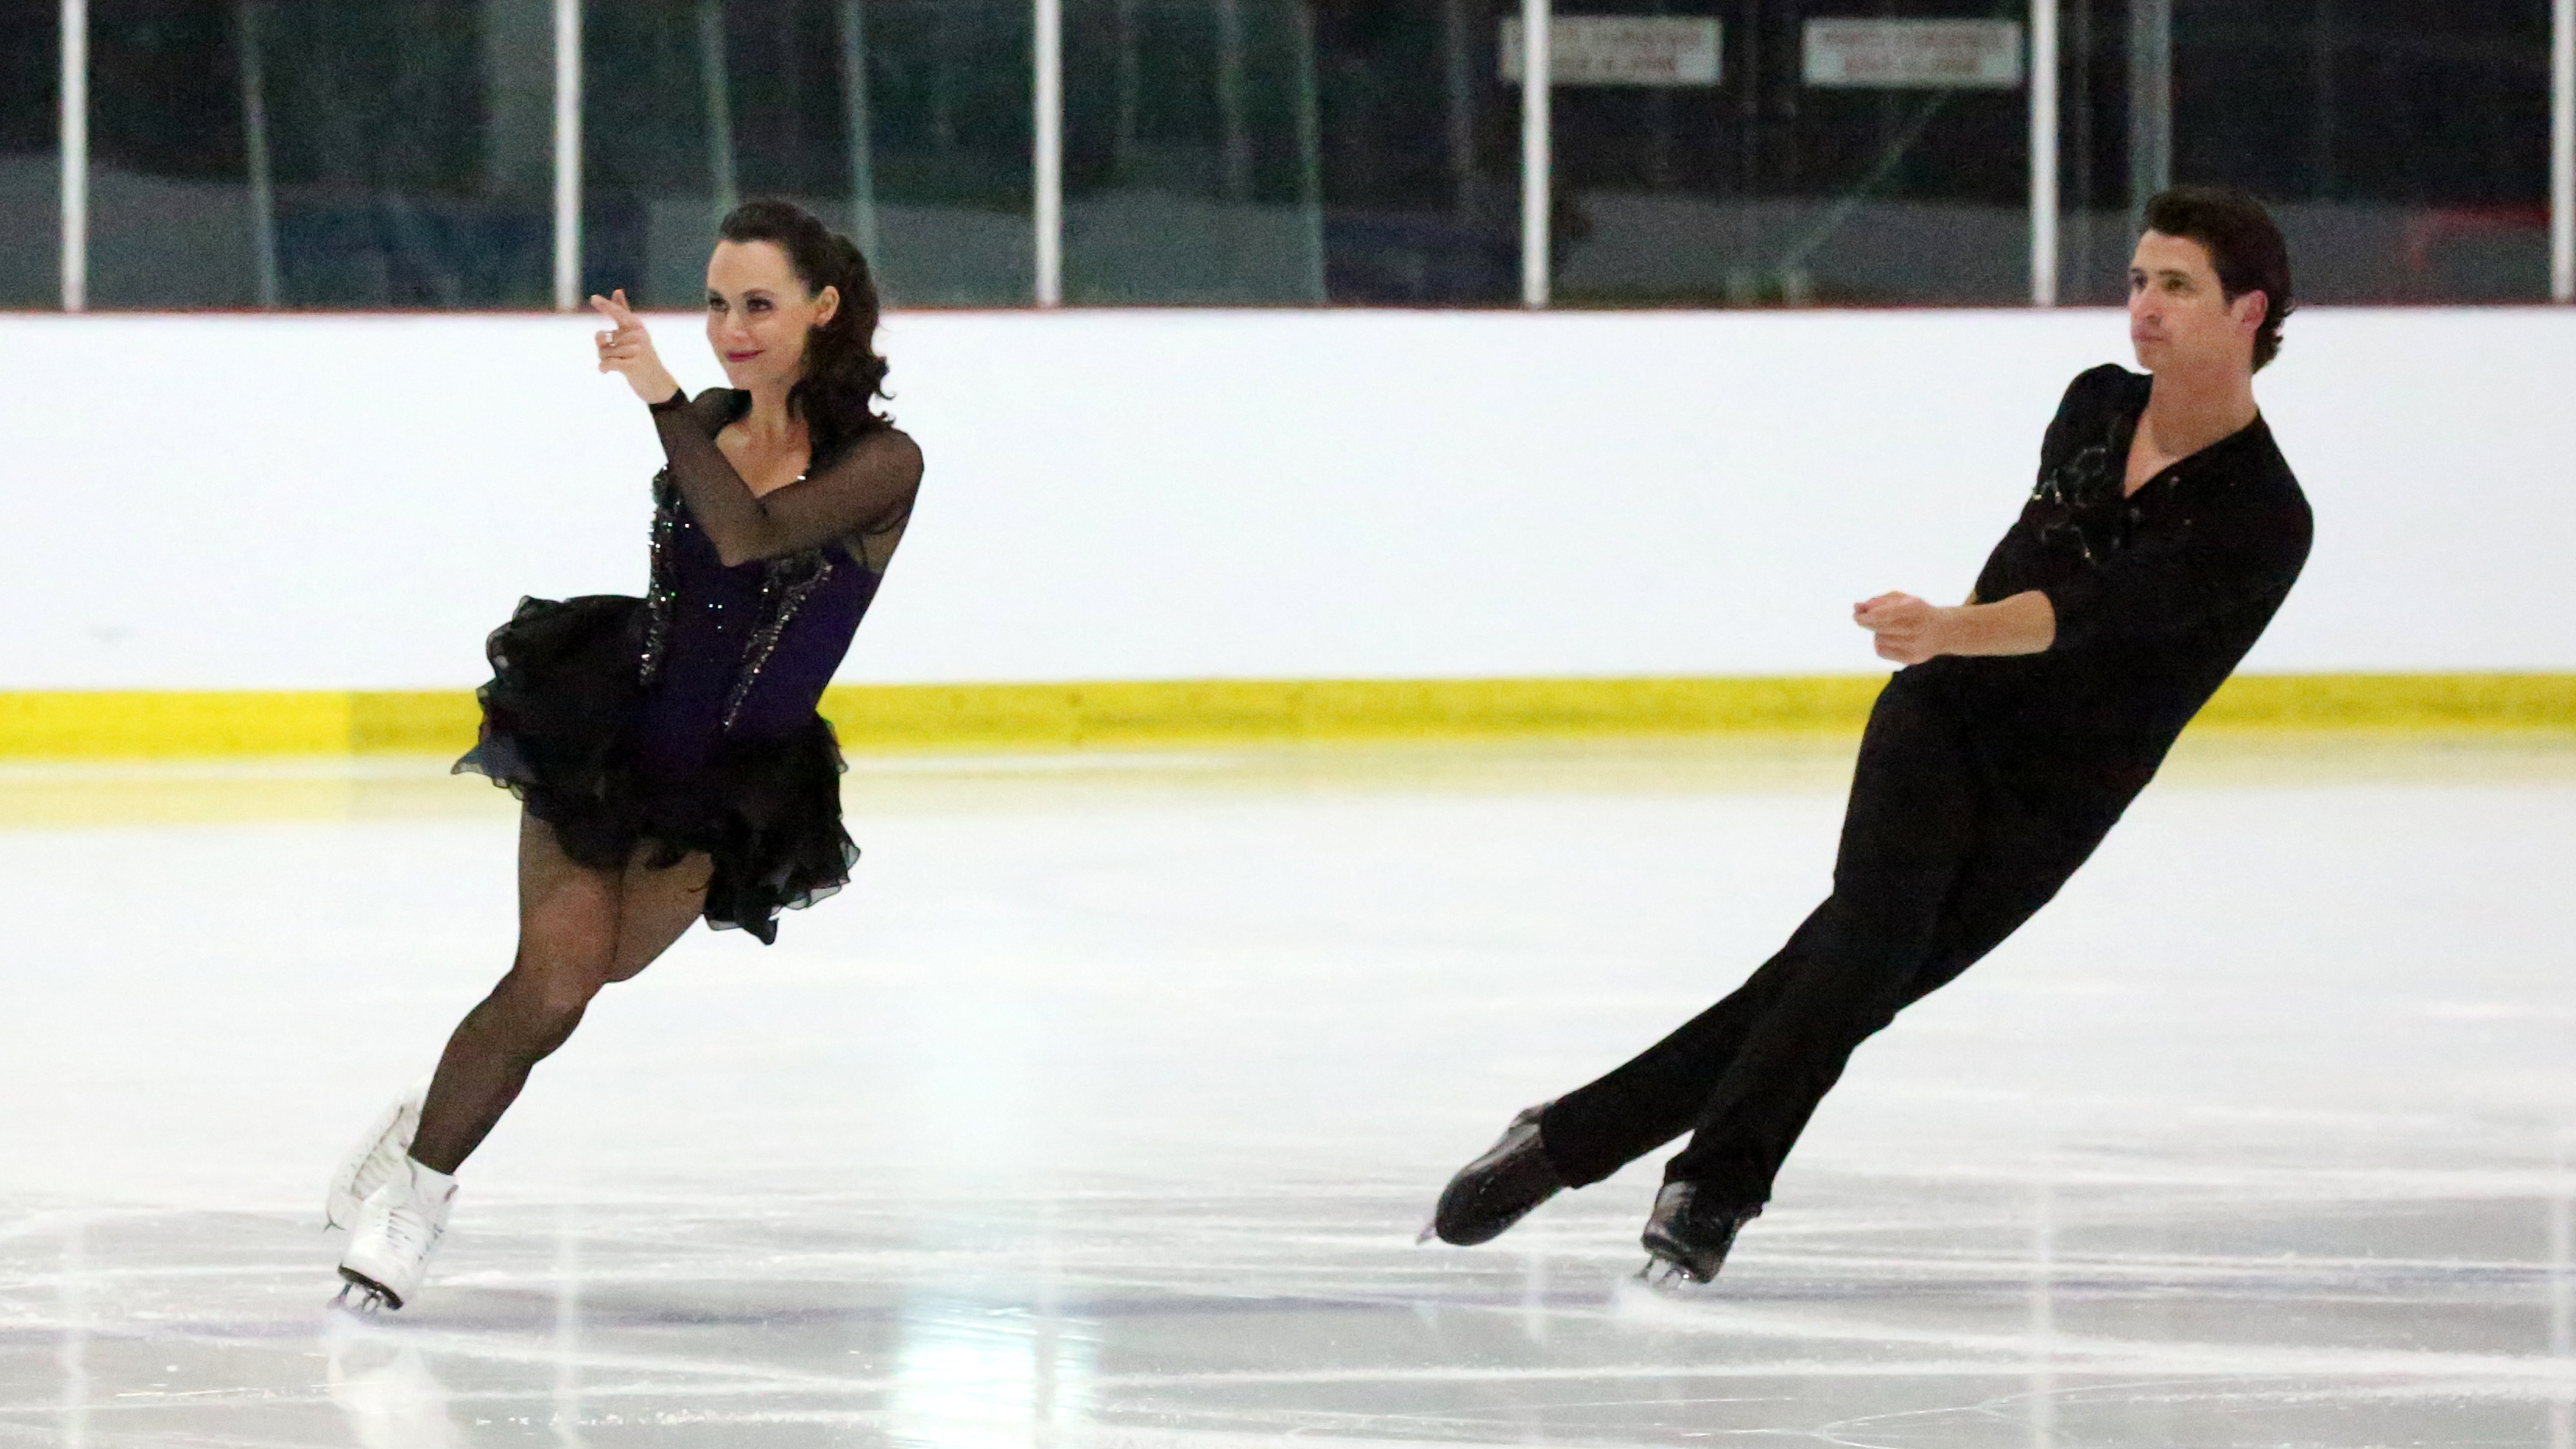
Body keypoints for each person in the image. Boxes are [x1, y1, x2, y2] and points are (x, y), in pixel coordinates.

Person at [1426, 186, 2314, 1283]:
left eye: (2176, 286)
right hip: (1947, 719)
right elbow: (2044, 583)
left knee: (1831, 977)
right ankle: (1714, 1187)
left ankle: (1561, 1139)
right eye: (2138, 280)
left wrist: (1948, 621)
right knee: (1867, 950)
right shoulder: (2094, 405)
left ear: (2247, 312)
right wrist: (1947, 643)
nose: (2143, 307)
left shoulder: (2266, 516)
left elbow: (2093, 615)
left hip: (2057, 802)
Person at [325, 199, 925, 1310]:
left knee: (586, 979)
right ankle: (415, 1199)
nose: (730, 328)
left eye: (759, 304)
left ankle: (417, 1126)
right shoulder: (701, 412)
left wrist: (659, 403)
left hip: (734, 783)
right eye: (715, 302)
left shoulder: (885, 463)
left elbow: (750, 536)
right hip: (609, 731)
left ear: (823, 309)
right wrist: (672, 404)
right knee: (551, 984)